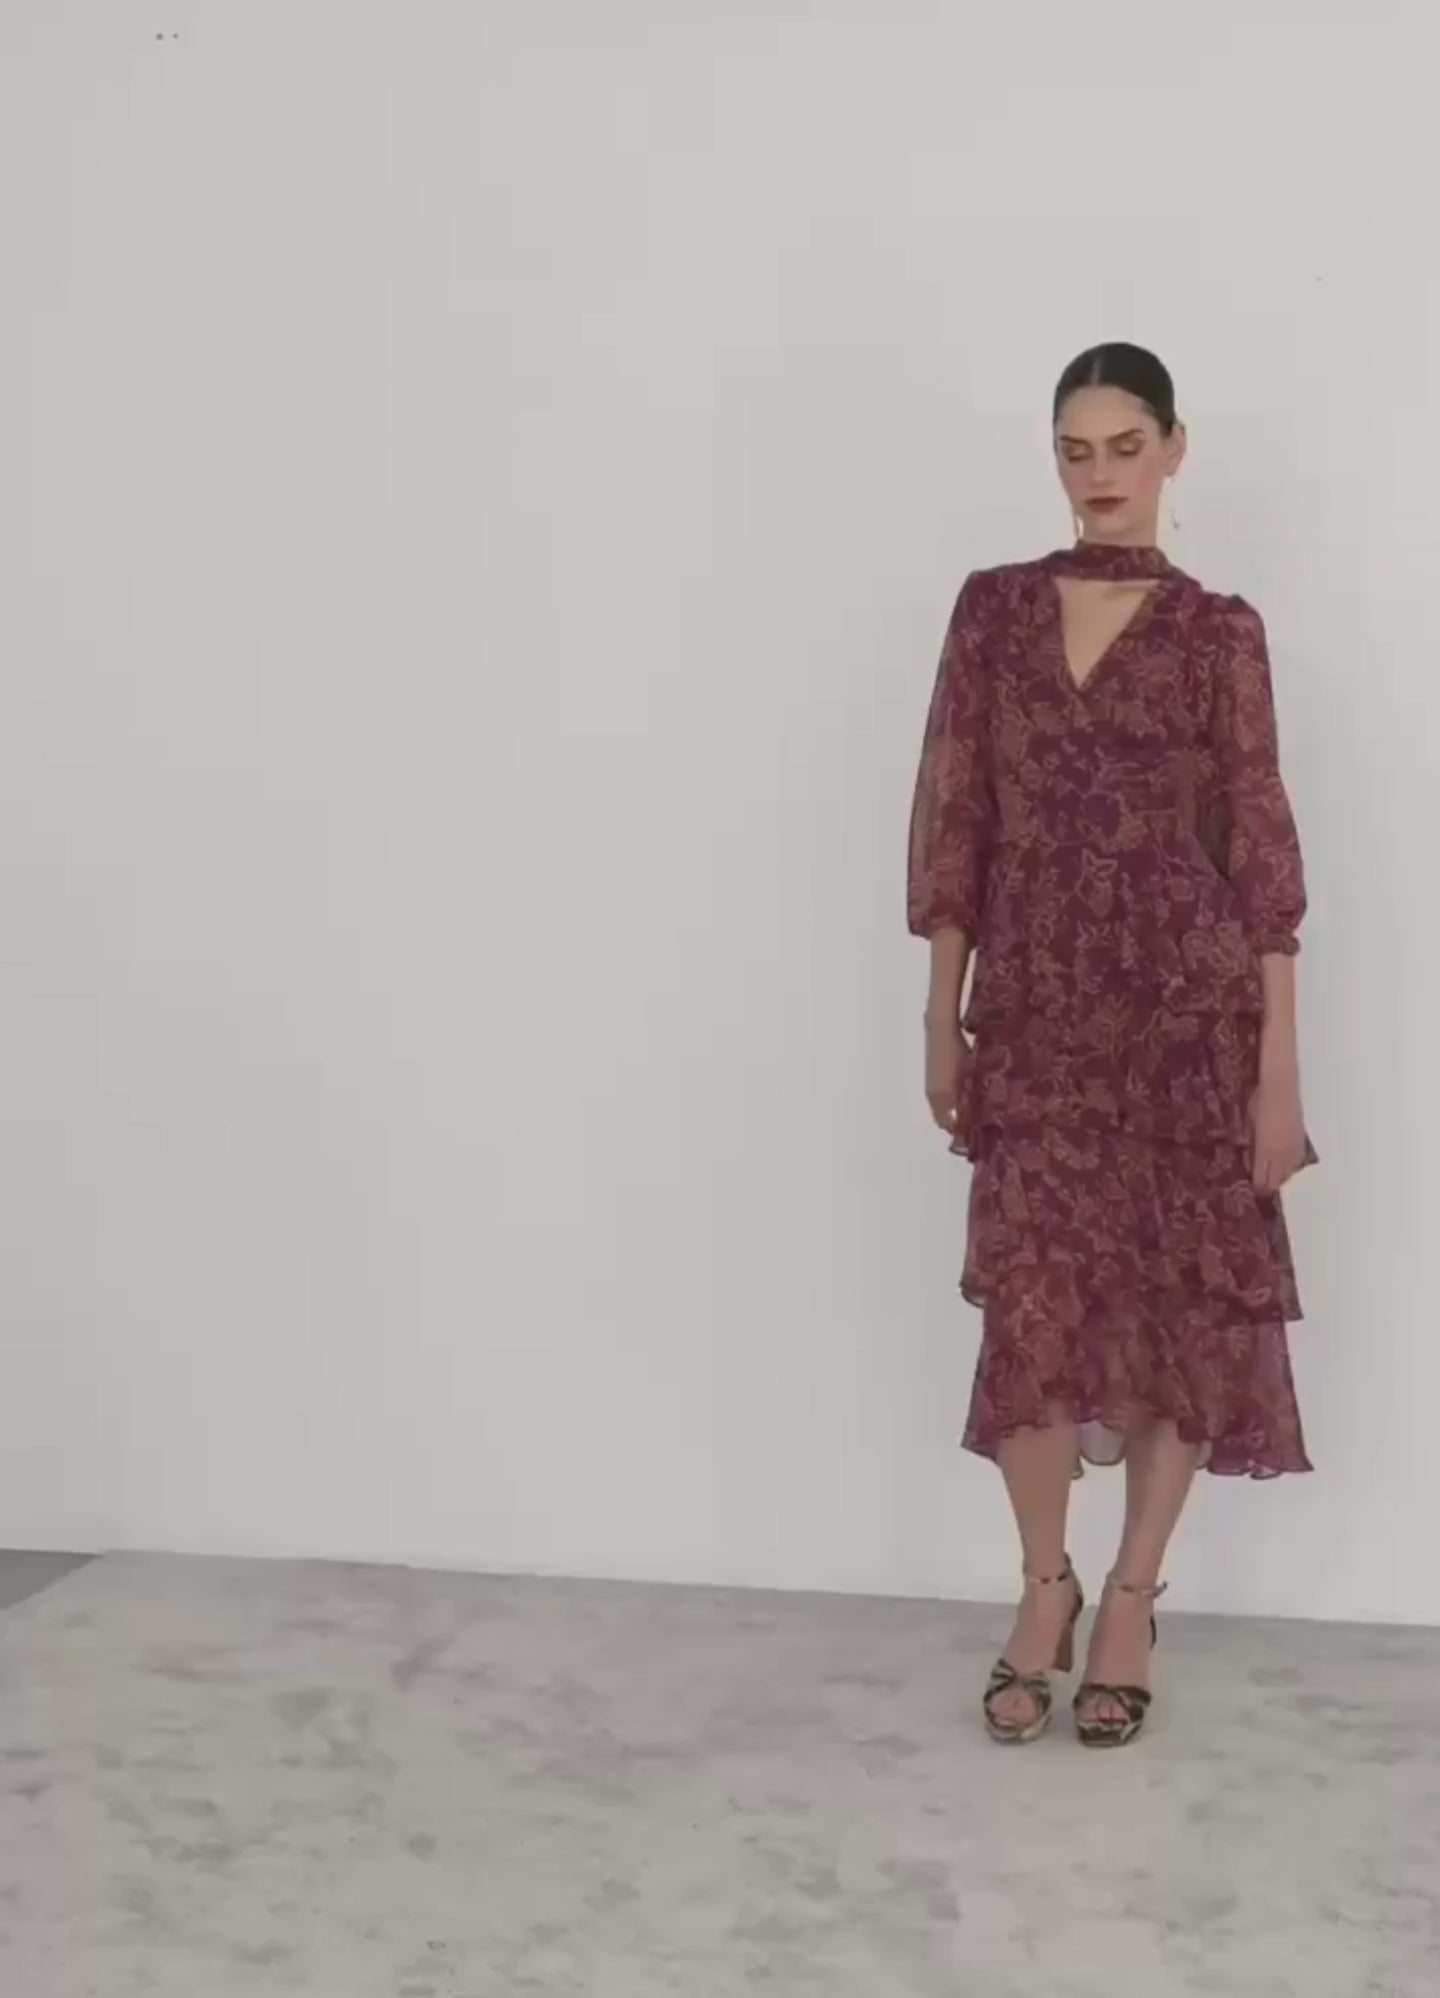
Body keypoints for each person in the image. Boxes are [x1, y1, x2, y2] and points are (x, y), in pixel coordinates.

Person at [907, 343, 1312, 1748]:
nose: (1099, 475)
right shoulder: (995, 611)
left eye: (1125, 446)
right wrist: (942, 1009)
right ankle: (1045, 1586)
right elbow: (959, 820)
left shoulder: (1219, 633)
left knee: (1175, 1309)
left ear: (1174, 450)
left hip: (1188, 1021)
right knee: (1032, 1305)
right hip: (1037, 1011)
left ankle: (1133, 1595)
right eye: (1075, 450)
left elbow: (1259, 848)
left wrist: (1279, 1068)